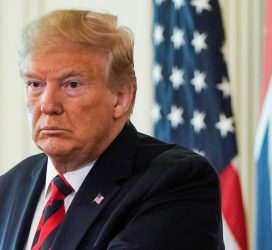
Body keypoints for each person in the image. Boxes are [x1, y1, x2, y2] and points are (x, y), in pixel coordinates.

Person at [0, 9, 224, 250]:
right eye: (35, 84)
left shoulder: (176, 181)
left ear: (120, 98)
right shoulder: (9, 187)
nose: (48, 105)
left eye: (72, 84)